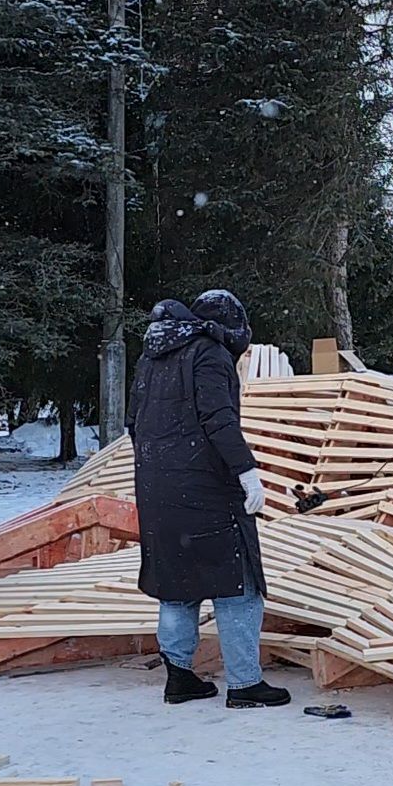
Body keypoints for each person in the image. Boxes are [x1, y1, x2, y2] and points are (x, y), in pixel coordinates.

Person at [126, 292, 289, 709]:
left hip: (158, 489)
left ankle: (179, 679)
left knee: (176, 586)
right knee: (237, 585)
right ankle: (244, 684)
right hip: (207, 488)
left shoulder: (151, 356)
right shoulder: (209, 353)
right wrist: (246, 473)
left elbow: (134, 425)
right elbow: (218, 419)